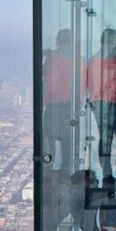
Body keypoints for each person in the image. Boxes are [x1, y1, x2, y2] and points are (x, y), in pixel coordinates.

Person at [85, 28, 116, 187]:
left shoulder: (93, 59)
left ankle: (106, 175)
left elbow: (90, 85)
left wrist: (93, 103)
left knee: (105, 140)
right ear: (112, 41)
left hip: (99, 104)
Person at [42, 29, 74, 169]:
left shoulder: (53, 58)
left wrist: (41, 102)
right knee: (67, 142)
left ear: (58, 41)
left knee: (49, 141)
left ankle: (49, 174)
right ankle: (66, 172)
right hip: (69, 106)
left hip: (53, 104)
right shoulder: (77, 58)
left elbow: (48, 80)